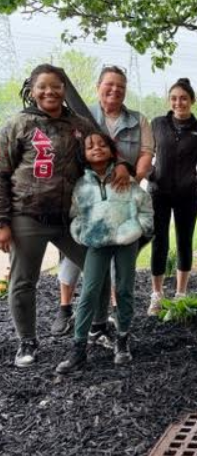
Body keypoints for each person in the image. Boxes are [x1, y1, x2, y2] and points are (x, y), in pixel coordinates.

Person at [0, 64, 111, 367]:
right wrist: (2, 222)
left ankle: (100, 327)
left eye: (56, 86)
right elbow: (1, 172)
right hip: (28, 216)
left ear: (64, 89)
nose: (49, 92)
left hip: (69, 219)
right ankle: (27, 341)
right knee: (23, 281)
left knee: (98, 269)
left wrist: (122, 169)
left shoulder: (79, 124)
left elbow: (104, 150)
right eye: (42, 87)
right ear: (32, 90)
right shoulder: (18, 125)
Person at [54, 64, 155, 339]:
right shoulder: (79, 116)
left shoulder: (137, 120)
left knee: (120, 262)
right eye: (109, 85)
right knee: (76, 255)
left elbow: (146, 154)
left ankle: (111, 322)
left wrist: (130, 172)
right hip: (90, 195)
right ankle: (65, 308)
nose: (114, 90)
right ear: (98, 86)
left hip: (123, 197)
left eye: (120, 87)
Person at [55, 133, 153, 373]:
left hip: (125, 241)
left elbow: (144, 205)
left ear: (111, 150)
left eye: (102, 145)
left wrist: (138, 228)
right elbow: (76, 214)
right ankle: (78, 349)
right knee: (89, 291)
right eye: (90, 147)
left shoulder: (125, 180)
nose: (96, 149)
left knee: (123, 289)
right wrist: (81, 233)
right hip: (97, 243)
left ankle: (122, 340)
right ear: (84, 155)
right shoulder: (82, 186)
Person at [147, 78, 197, 314]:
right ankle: (156, 295)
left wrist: (195, 181)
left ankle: (180, 294)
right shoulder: (157, 124)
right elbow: (144, 153)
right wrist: (150, 174)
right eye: (174, 98)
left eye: (184, 98)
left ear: (192, 100)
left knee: (184, 242)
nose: (179, 102)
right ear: (169, 100)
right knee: (159, 242)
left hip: (187, 196)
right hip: (159, 194)